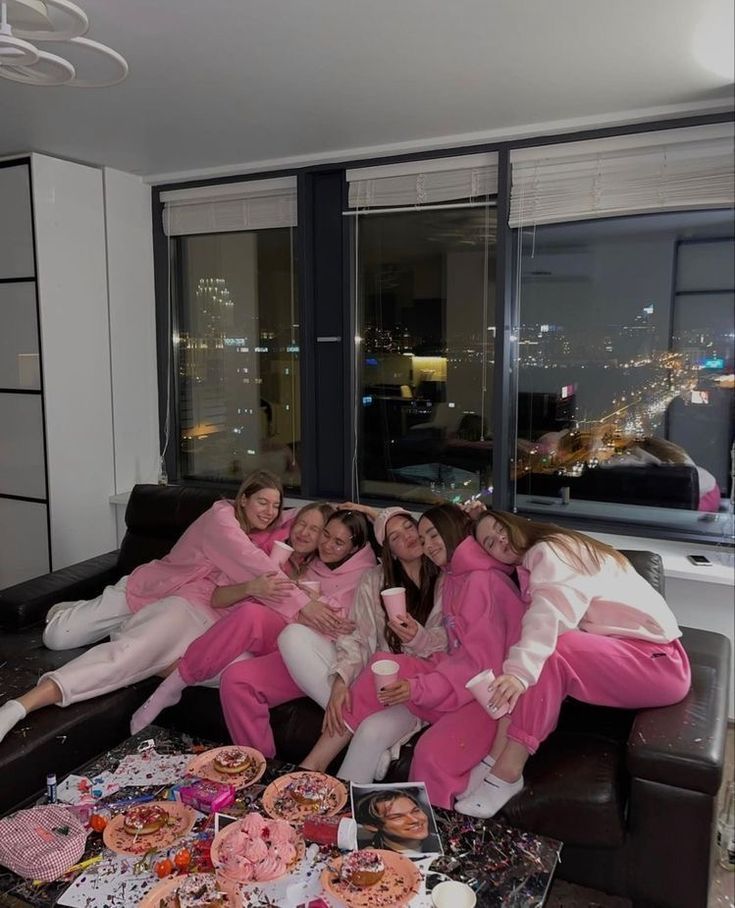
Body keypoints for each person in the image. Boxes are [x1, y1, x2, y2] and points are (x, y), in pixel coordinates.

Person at [0, 470, 308, 746]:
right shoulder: (221, 519)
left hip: (191, 607)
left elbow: (305, 521)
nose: (269, 512)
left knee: (145, 652)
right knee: (58, 637)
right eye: (261, 502)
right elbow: (252, 566)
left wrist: (350, 508)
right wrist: (305, 606)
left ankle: (117, 633)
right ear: (242, 500)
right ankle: (77, 612)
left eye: (275, 505)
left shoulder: (271, 538)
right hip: (149, 590)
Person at [452, 506, 691, 818]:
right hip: (645, 658)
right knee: (533, 654)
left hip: (659, 663)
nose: (500, 541)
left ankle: (506, 773)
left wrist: (519, 674)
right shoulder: (544, 552)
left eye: (500, 529)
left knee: (550, 650)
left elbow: (550, 613)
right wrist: (469, 521)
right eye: (491, 544)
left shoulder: (548, 551)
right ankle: (495, 759)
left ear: (515, 522)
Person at [306, 503, 526, 809]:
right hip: (457, 683)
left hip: (489, 699)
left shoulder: (477, 581)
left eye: (431, 534)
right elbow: (456, 653)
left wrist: (419, 685)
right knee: (380, 670)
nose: (427, 544)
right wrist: (342, 680)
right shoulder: (455, 578)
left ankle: (425, 846)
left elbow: (478, 666)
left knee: (430, 756)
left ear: (453, 531)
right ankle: (315, 771)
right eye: (424, 538)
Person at [131, 511, 376, 754]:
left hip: (318, 658)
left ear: (354, 549)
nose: (327, 544)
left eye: (338, 542)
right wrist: (300, 600)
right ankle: (171, 690)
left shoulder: (365, 577)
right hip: (289, 632)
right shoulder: (308, 561)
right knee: (249, 614)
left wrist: (318, 603)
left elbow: (354, 632)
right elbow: (285, 515)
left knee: (237, 680)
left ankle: (262, 765)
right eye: (325, 534)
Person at [287, 506, 446, 781]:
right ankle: (324, 797)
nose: (406, 537)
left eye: (409, 527)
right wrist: (339, 682)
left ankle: (314, 772)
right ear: (390, 551)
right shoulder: (374, 581)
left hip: (418, 691)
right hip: (379, 684)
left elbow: (449, 646)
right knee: (367, 724)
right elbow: (357, 636)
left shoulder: (447, 579)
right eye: (394, 537)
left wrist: (417, 638)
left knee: (370, 728)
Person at [354, 788, 442, 855]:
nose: (414, 820)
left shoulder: (442, 841)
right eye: (397, 817)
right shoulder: (372, 857)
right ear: (372, 826)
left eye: (415, 811)